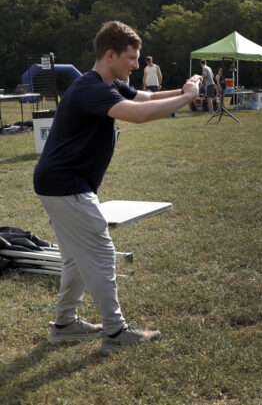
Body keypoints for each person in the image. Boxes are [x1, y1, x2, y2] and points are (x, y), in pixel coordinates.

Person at [33, 21, 201, 354]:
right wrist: (188, 98)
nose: (137, 66)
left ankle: (65, 324)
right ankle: (115, 332)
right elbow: (139, 115)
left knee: (74, 259)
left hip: (57, 183)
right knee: (101, 252)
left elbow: (146, 97)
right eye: (132, 58)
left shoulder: (108, 83)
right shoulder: (91, 88)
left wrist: (183, 90)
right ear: (110, 55)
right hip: (66, 185)